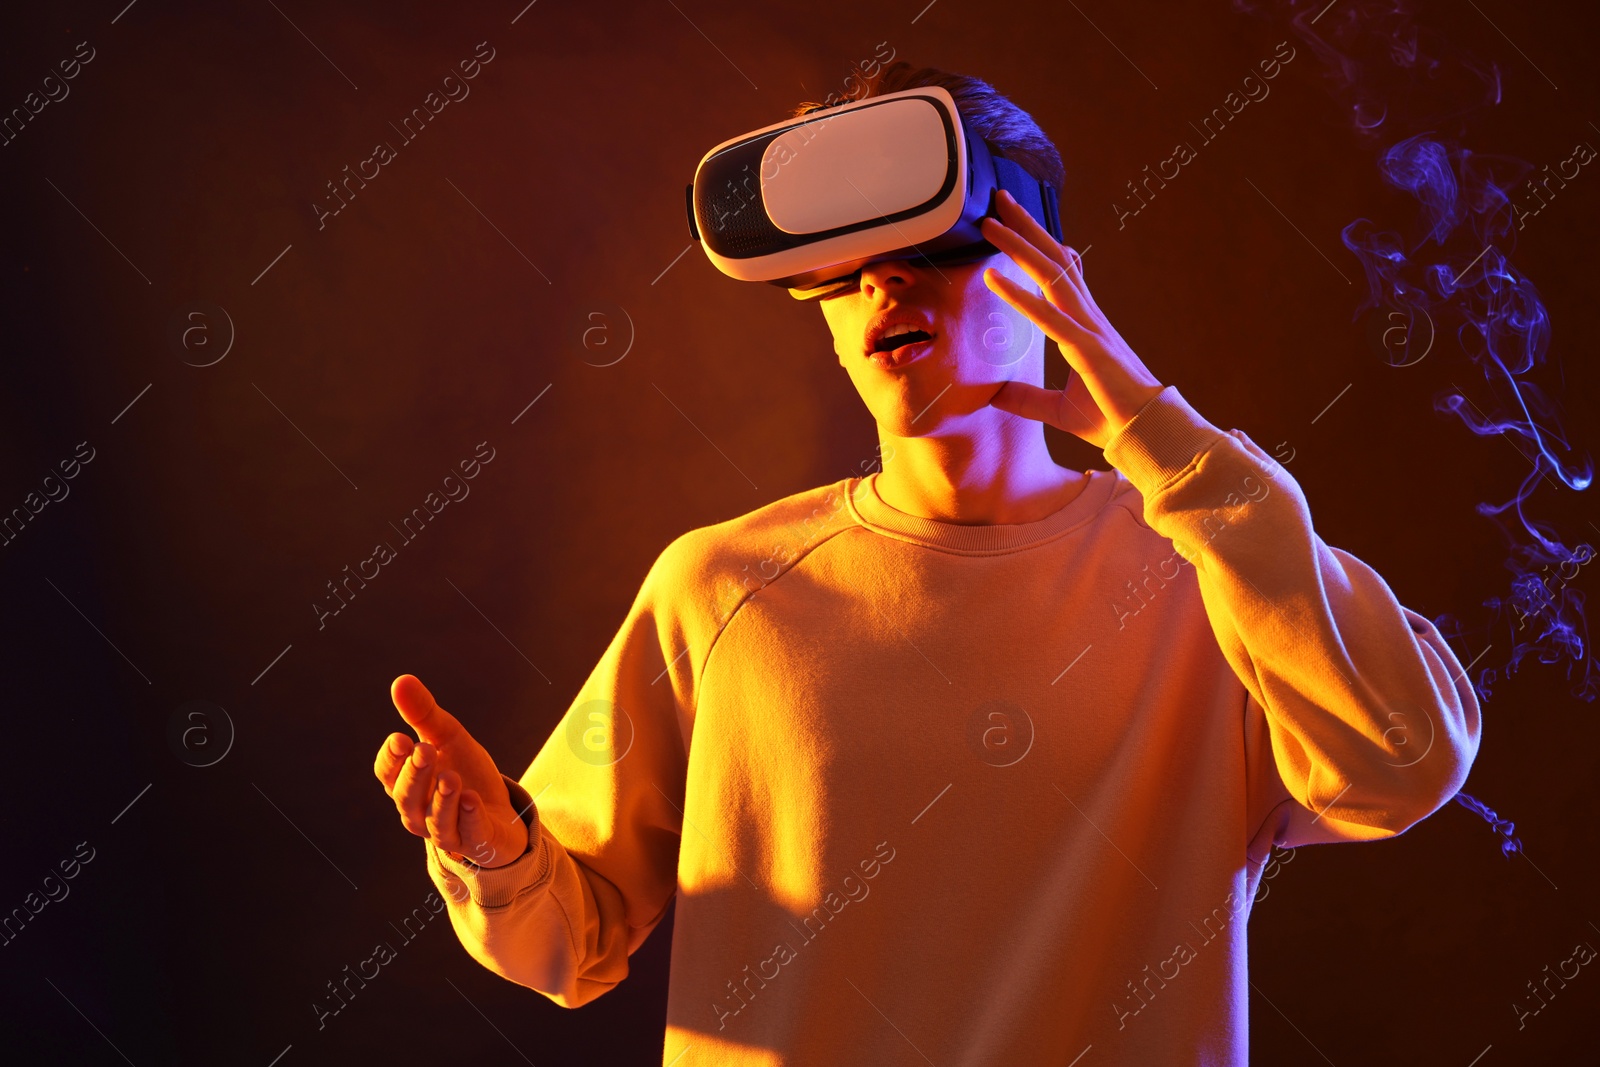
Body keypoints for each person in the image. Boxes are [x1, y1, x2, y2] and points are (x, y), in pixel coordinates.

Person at [372, 62, 1480, 1065]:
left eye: (931, 253)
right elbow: (570, 940)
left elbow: (1402, 762)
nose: (883, 294)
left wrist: (1162, 434)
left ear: (1045, 273)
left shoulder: (1207, 566)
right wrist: (498, 849)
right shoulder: (720, 588)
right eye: (846, 275)